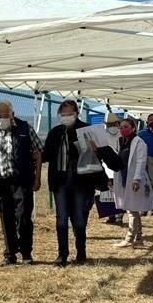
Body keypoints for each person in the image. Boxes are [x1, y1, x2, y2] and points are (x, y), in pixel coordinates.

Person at [0, 100, 43, 266]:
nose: (1, 118)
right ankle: (10, 254)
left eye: (5, 115)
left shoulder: (24, 128)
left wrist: (37, 178)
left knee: (23, 217)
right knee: (6, 218)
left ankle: (26, 253)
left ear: (12, 114)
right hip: (1, 181)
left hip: (22, 180)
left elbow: (37, 153)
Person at [42, 100, 98, 266]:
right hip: (60, 183)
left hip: (80, 182)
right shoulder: (55, 133)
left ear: (76, 114)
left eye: (69, 114)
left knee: (79, 219)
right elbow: (46, 155)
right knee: (61, 220)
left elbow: (98, 153)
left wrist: (94, 149)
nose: (66, 117)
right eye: (63, 114)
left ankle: (81, 251)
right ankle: (62, 254)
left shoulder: (86, 130)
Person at [110, 118, 153, 248]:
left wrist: (136, 179)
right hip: (123, 177)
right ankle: (139, 238)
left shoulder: (139, 143)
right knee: (133, 208)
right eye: (121, 127)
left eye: (126, 126)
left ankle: (129, 239)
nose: (123, 129)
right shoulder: (121, 142)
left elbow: (141, 162)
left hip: (135, 179)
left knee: (132, 209)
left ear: (133, 128)